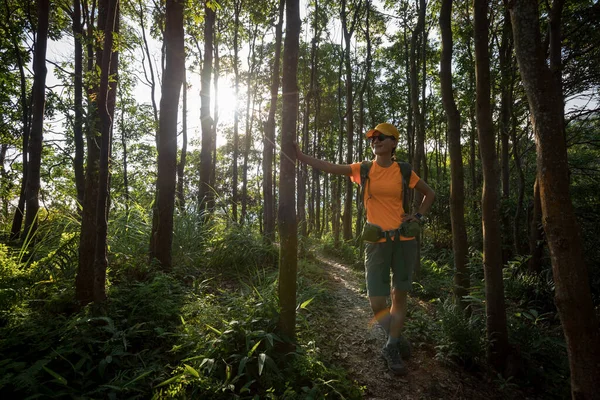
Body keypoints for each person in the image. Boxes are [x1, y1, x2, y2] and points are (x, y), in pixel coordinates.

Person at [295, 122, 435, 375]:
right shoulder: (365, 169)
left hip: (404, 241)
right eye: (373, 138)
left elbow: (429, 194)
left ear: (393, 143)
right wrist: (301, 156)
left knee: (399, 295)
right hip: (376, 242)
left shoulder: (403, 170)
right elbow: (330, 167)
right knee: (376, 301)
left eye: (381, 137)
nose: (376, 141)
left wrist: (418, 216)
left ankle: (391, 346)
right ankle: (396, 337)